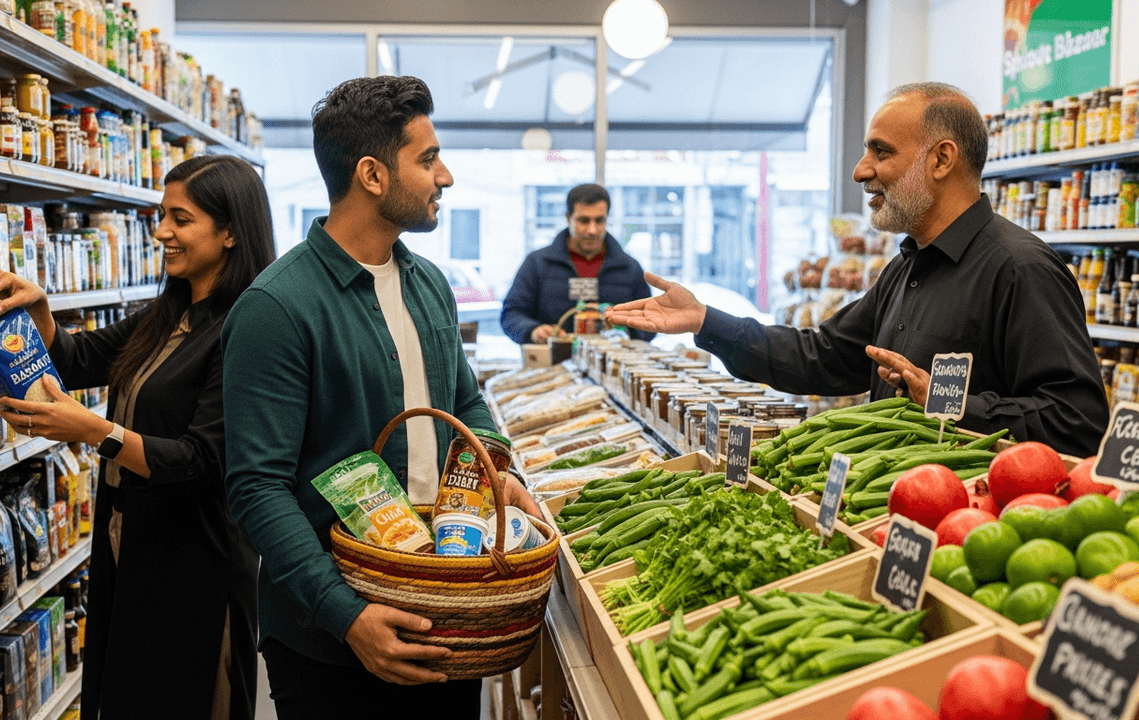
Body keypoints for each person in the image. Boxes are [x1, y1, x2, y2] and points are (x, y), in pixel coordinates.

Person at [220, 75, 542, 720]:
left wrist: (493, 470)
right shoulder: (276, 307)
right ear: (371, 174)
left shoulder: (430, 285)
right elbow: (257, 488)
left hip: (444, 613)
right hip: (333, 644)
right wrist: (347, 616)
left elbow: (467, 404)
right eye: (427, 159)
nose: (444, 176)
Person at [606, 82, 1108, 458]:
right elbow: (823, 356)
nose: (860, 170)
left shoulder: (1021, 269)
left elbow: (1078, 421)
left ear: (942, 160)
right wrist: (704, 320)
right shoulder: (906, 267)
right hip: (892, 514)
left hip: (973, 531)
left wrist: (949, 406)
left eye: (881, 151)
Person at [0, 154, 275, 720]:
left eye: (180, 219)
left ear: (231, 232)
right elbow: (79, 359)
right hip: (131, 544)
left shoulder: (247, 328)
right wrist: (40, 308)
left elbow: (201, 459)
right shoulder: (166, 313)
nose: (161, 232)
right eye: (162, 215)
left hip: (197, 562)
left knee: (183, 698)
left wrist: (95, 431)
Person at [500, 183, 655, 344]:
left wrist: (625, 328)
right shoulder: (537, 264)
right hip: (552, 357)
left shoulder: (630, 269)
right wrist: (533, 331)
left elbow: (649, 323)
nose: (592, 230)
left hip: (613, 359)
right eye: (584, 221)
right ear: (568, 218)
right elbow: (511, 315)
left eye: (599, 220)